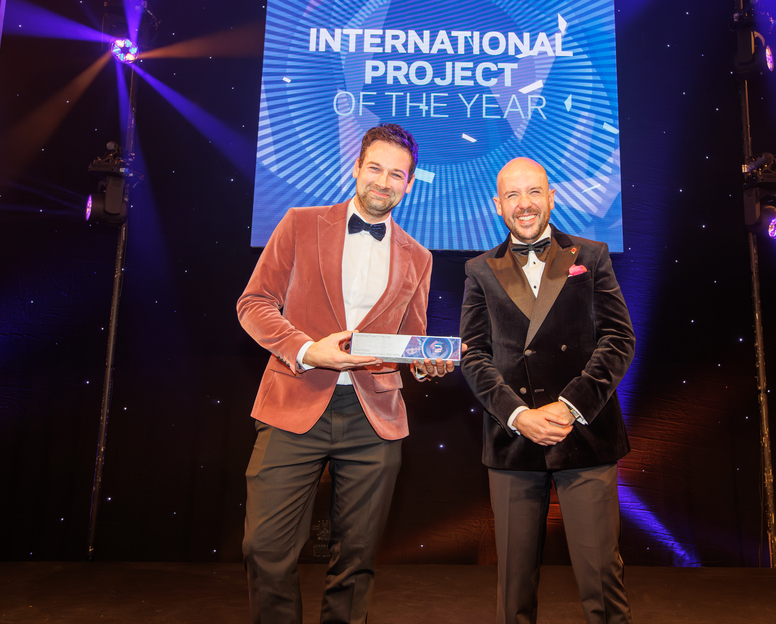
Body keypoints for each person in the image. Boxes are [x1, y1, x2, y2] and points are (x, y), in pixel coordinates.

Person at [237, 123, 454, 624]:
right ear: (356, 168)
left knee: (356, 560)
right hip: (293, 403)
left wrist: (426, 364)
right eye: (375, 168)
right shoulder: (300, 223)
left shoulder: (419, 257)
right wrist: (307, 349)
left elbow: (411, 339)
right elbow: (254, 303)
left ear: (409, 184)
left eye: (396, 174)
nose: (383, 181)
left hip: (373, 418)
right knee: (264, 547)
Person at [460, 157, 636, 624]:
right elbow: (473, 356)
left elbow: (619, 339)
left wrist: (569, 406)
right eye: (513, 195)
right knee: (514, 588)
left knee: (602, 581)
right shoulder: (479, 270)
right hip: (513, 441)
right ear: (498, 205)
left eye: (534, 191)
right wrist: (520, 415)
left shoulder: (591, 255)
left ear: (552, 197)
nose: (524, 204)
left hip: (585, 436)